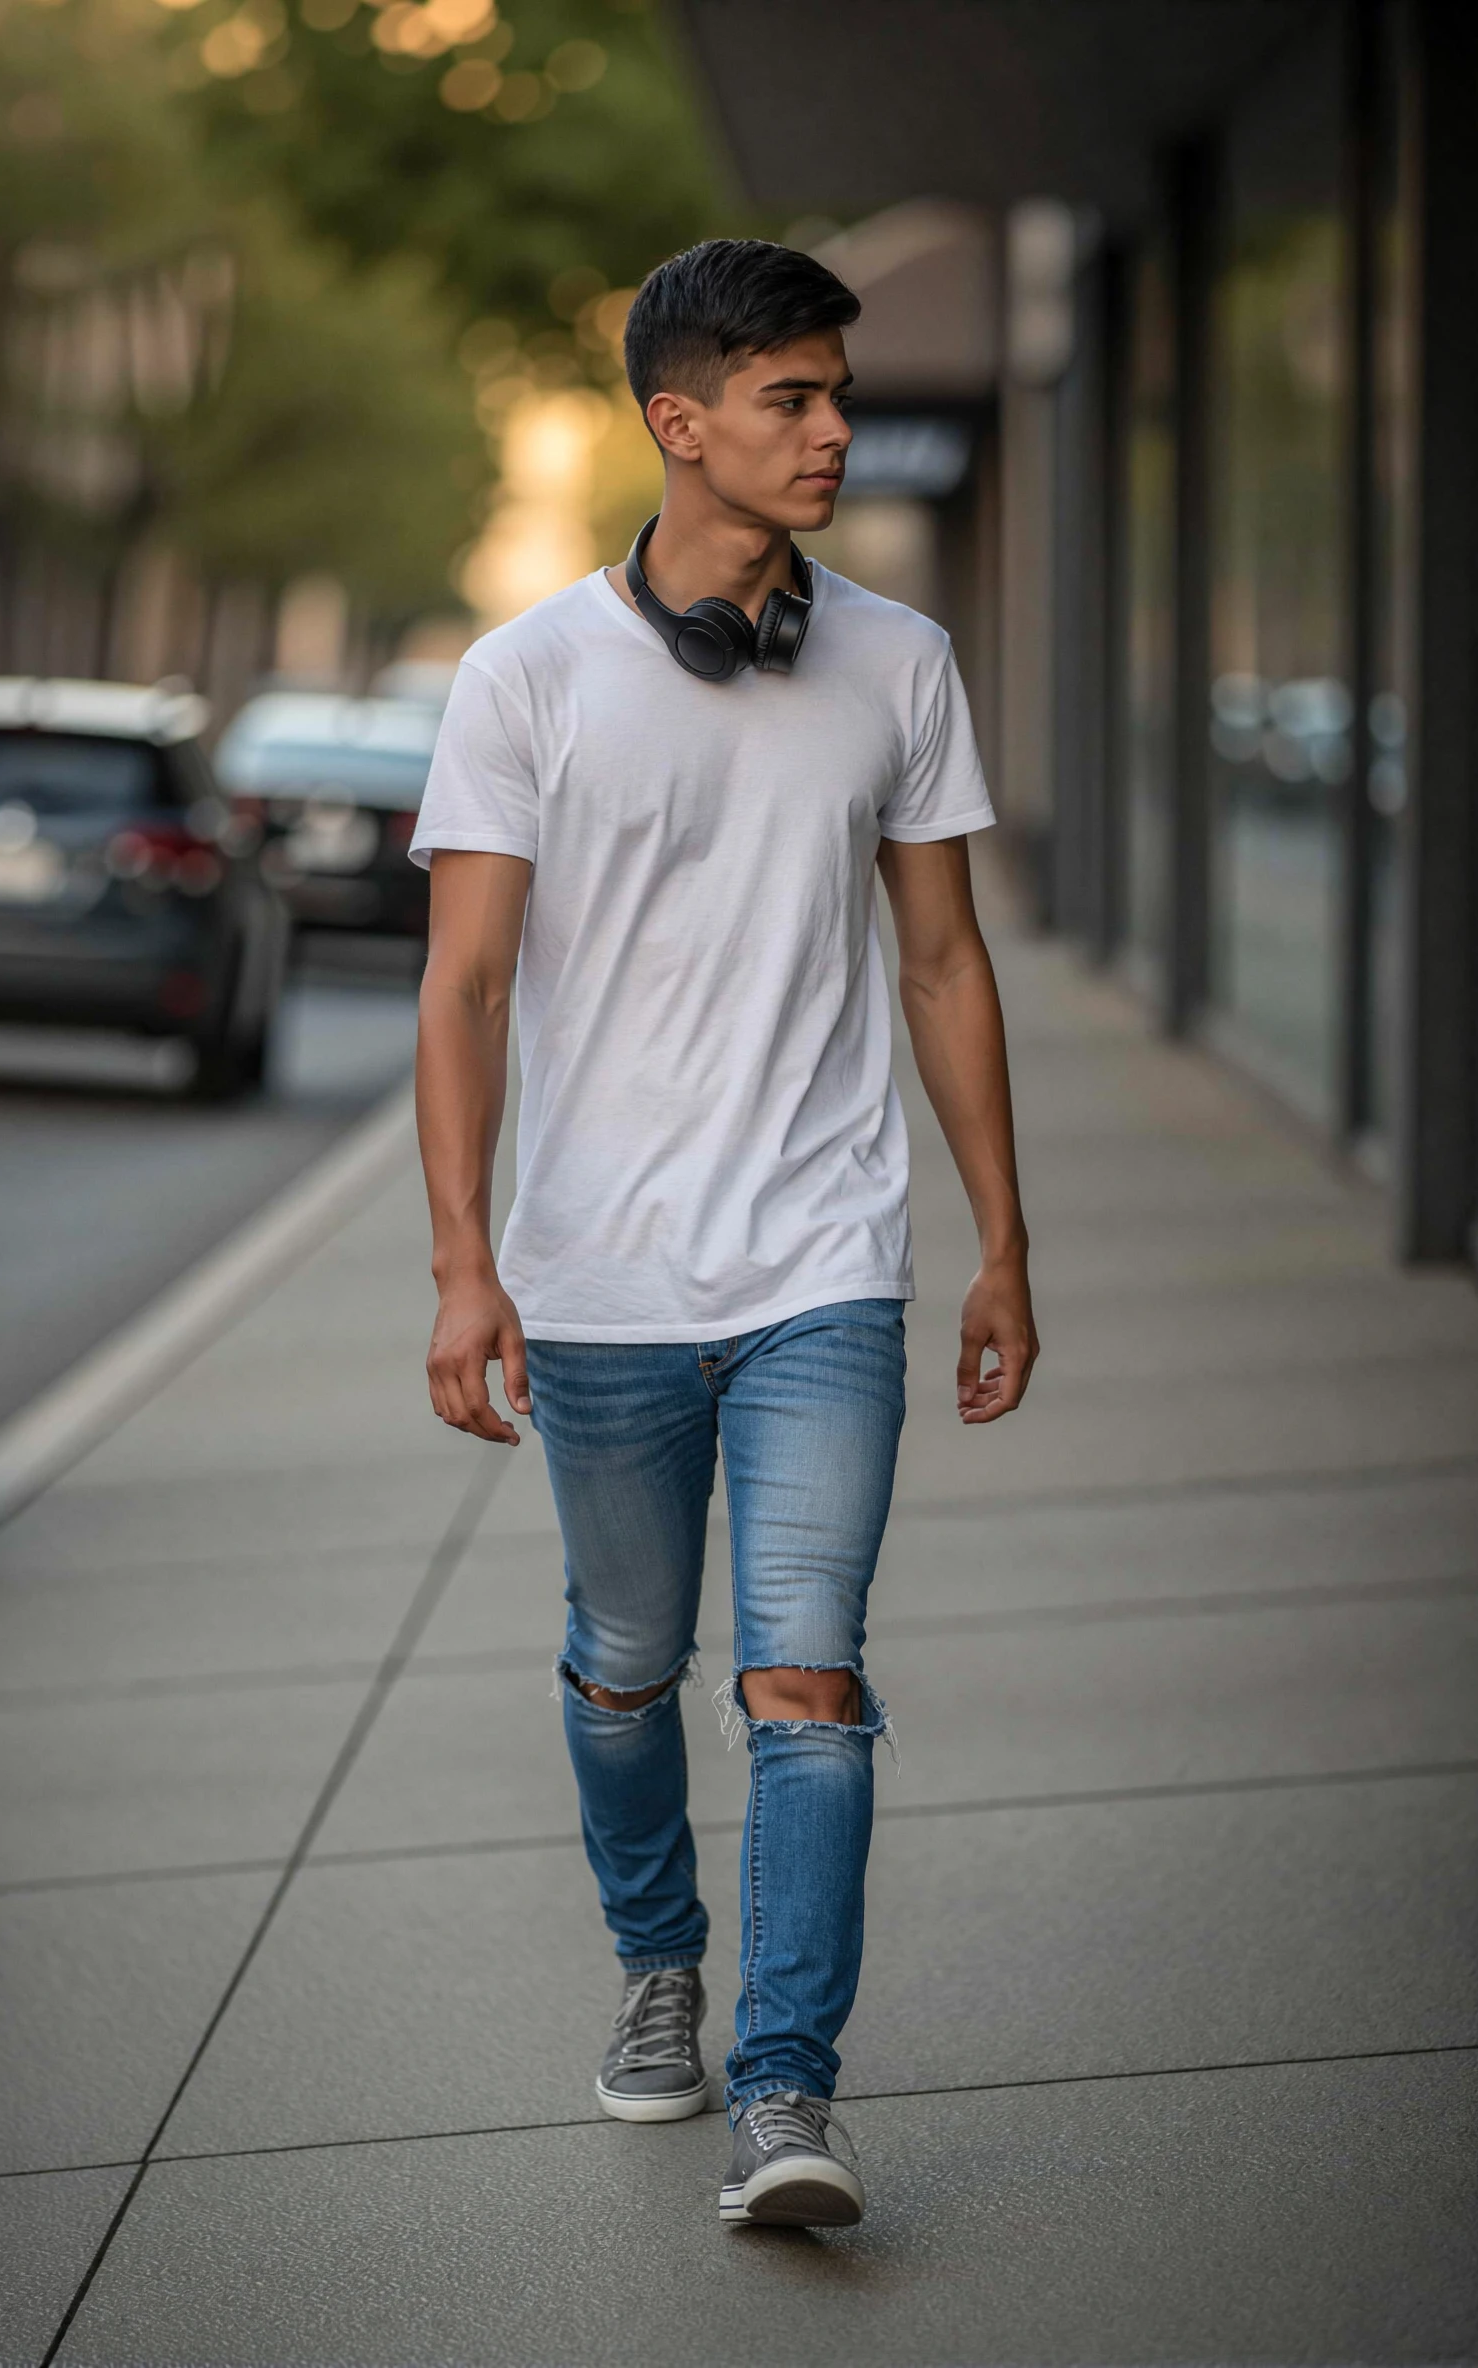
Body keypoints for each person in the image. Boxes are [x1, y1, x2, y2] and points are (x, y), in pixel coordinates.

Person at [411, 238, 1037, 2231]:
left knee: (803, 1681)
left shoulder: (899, 661)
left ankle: (785, 2087)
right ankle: (657, 1961)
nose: (833, 425)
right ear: (678, 423)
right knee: (619, 1663)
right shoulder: (523, 679)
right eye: (790, 395)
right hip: (596, 1273)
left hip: (823, 1266)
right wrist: (462, 1261)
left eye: (838, 389)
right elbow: (464, 993)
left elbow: (939, 962)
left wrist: (999, 1237)